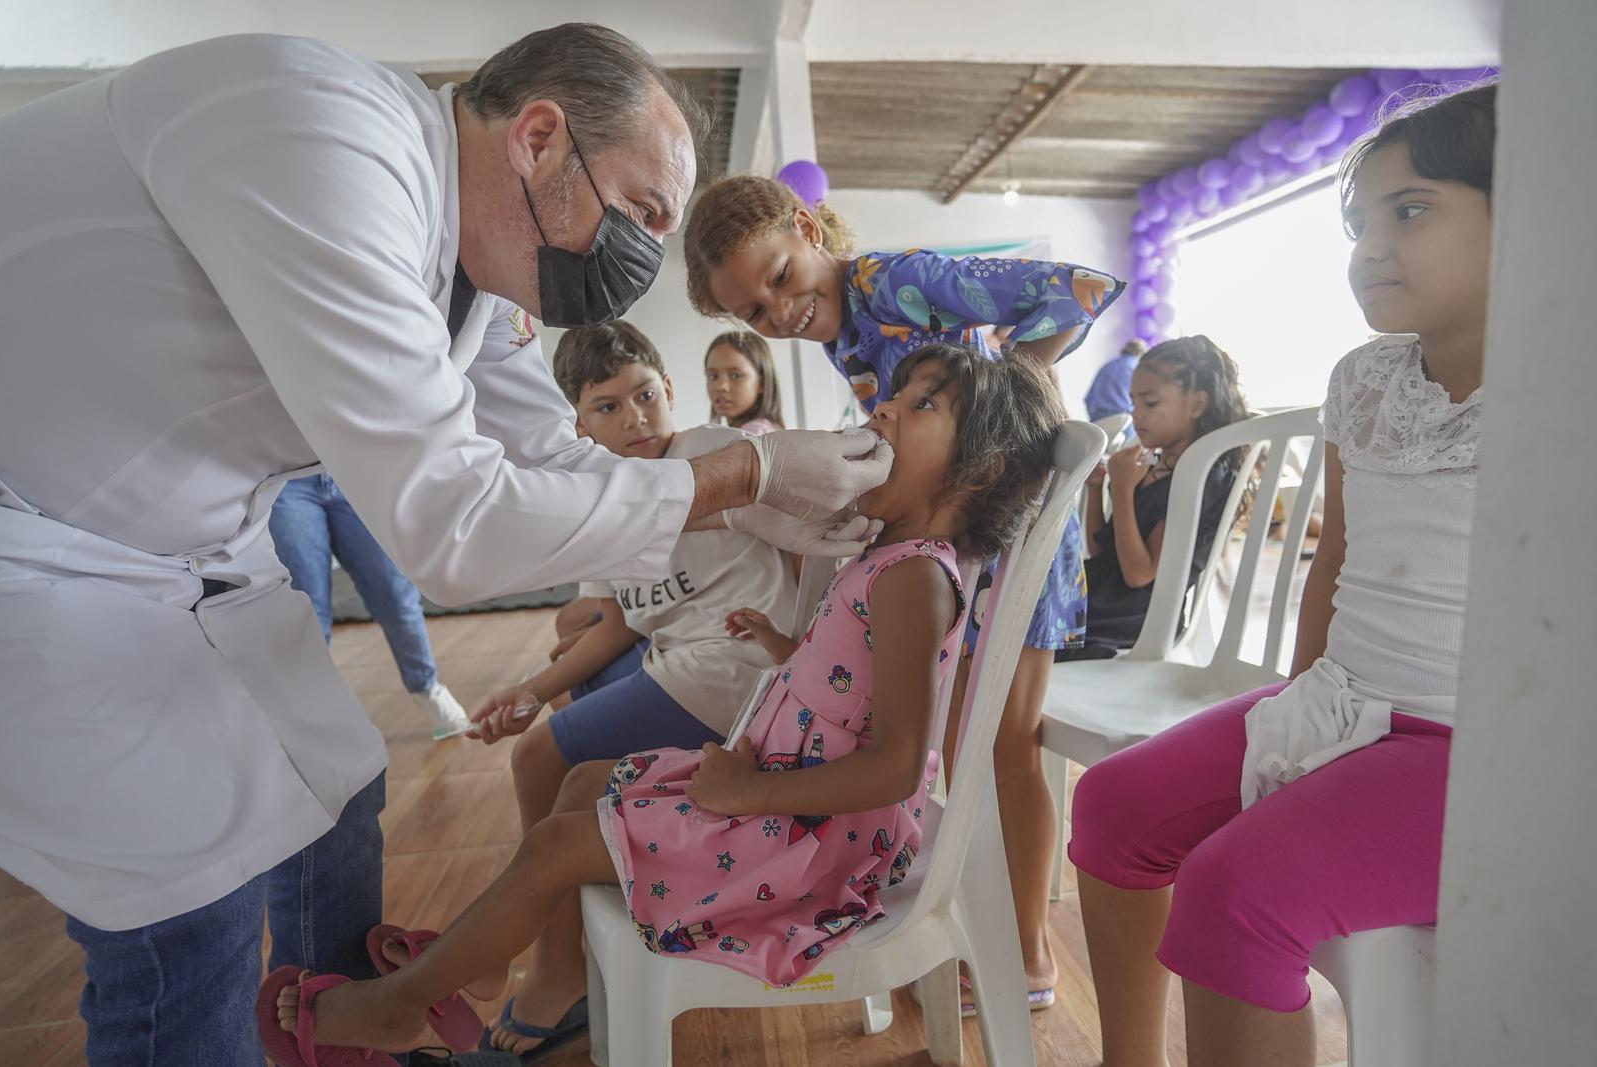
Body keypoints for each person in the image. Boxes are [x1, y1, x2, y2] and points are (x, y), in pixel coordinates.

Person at [0, 25, 889, 1064]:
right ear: (539, 139)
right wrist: (746, 475)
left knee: (337, 798)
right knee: (184, 916)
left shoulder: (479, 275)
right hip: (40, 536)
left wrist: (762, 488)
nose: (646, 252)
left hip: (180, 542)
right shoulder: (320, 136)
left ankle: (347, 1032)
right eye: (643, 210)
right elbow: (449, 518)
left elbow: (553, 457)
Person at [260, 342, 1066, 1060]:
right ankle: (483, 964)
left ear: (979, 470)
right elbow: (853, 690)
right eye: (897, 393)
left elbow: (896, 767)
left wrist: (747, 792)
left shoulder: (914, 576)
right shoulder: (887, 560)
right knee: (579, 782)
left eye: (922, 404)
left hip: (810, 843)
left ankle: (400, 1005)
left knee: (553, 844)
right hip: (784, 796)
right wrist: (785, 650)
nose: (885, 407)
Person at [1068, 84, 1494, 1067]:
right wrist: (1299, 704)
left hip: (1475, 743)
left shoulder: (1563, 382)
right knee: (1112, 804)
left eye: (1410, 210)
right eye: (1358, 225)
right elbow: (1336, 555)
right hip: (1342, 695)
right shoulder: (1364, 377)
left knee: (1234, 889)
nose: (1369, 249)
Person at [683, 174, 1124, 1010]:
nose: (780, 312)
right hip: (962, 551)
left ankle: (1028, 954)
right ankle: (981, 928)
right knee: (962, 747)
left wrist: (1007, 404)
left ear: (808, 227)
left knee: (1004, 748)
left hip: (1016, 535)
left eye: (780, 277)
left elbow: (1080, 290)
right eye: (755, 312)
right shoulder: (844, 333)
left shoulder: (893, 282)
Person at [463, 320, 797, 1054]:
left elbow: (804, 531)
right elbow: (615, 621)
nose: (635, 418)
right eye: (607, 407)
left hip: (739, 670)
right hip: (682, 664)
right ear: (578, 424)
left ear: (669, 389)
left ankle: (554, 966)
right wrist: (528, 689)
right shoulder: (602, 492)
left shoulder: (711, 453)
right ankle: (566, 923)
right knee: (563, 727)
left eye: (645, 395)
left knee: (537, 758)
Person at [1063, 336, 1250, 661]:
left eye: (1150, 403)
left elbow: (1138, 575)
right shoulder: (1154, 466)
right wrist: (1098, 488)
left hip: (1139, 618)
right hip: (1107, 598)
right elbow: (1105, 553)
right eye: (1133, 402)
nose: (1136, 414)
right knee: (1019, 602)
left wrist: (1122, 490)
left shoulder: (1203, 477)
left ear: (1197, 405)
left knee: (1032, 625)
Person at [271, 473, 472, 739]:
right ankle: (315, 713)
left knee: (394, 592)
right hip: (286, 482)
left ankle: (427, 688)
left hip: (350, 472)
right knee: (308, 610)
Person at [705, 330, 786, 434]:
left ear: (762, 383)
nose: (721, 386)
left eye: (735, 376)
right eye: (713, 376)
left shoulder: (752, 433)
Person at [1084, 338, 1149, 421]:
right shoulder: (1135, 368)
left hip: (1096, 415)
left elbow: (1089, 397)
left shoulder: (1108, 365)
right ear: (1140, 354)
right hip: (1121, 417)